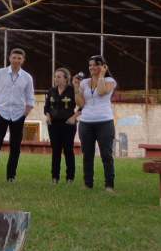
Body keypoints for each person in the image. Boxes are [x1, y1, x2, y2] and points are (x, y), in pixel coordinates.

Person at [0, 48, 35, 183]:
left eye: (19, 58)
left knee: (15, 147)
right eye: (14, 57)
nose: (16, 60)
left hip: (18, 115)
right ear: (9, 58)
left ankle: (11, 176)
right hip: (1, 113)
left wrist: (26, 112)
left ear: (23, 60)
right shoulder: (0, 73)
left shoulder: (27, 77)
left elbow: (30, 97)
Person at [74, 55, 117, 192]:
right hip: (86, 122)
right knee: (87, 154)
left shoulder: (109, 81)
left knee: (106, 154)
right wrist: (76, 87)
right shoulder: (84, 83)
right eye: (90, 65)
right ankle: (88, 184)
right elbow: (81, 103)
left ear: (103, 66)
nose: (92, 67)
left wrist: (102, 75)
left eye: (95, 65)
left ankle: (109, 185)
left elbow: (101, 91)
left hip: (104, 121)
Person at [44, 67, 78, 184]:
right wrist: (48, 116)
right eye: (55, 76)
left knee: (68, 150)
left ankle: (70, 178)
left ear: (66, 79)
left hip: (68, 124)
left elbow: (83, 105)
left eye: (59, 77)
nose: (56, 79)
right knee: (56, 151)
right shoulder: (51, 91)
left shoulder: (72, 90)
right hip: (53, 125)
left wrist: (74, 117)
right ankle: (55, 177)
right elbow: (47, 107)